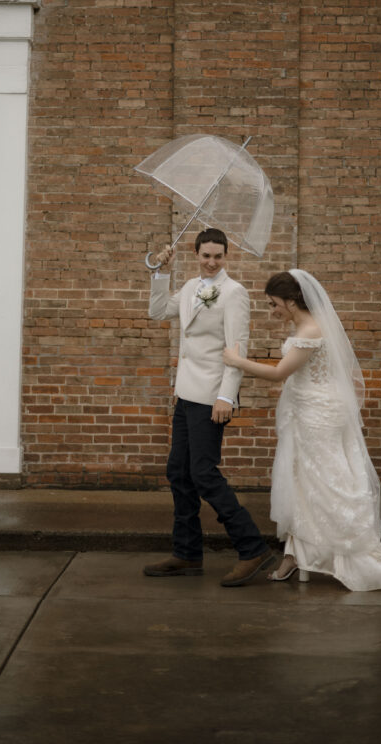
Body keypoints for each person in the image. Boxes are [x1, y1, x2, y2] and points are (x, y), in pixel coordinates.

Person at [223, 269, 381, 591]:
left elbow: (279, 373)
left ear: (292, 302)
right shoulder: (309, 325)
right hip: (313, 408)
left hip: (317, 414)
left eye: (274, 304)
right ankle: (295, 557)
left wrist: (237, 361)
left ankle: (354, 556)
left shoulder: (309, 330)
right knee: (302, 481)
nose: (273, 310)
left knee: (324, 483)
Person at [143, 228, 275, 586]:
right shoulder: (188, 287)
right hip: (186, 394)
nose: (212, 262)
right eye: (206, 255)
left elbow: (238, 347)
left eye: (218, 256)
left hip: (212, 396)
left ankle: (253, 548)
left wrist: (226, 396)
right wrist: (160, 270)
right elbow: (157, 312)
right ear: (196, 253)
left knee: (203, 473)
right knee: (179, 473)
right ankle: (186, 554)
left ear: (226, 256)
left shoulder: (234, 293)